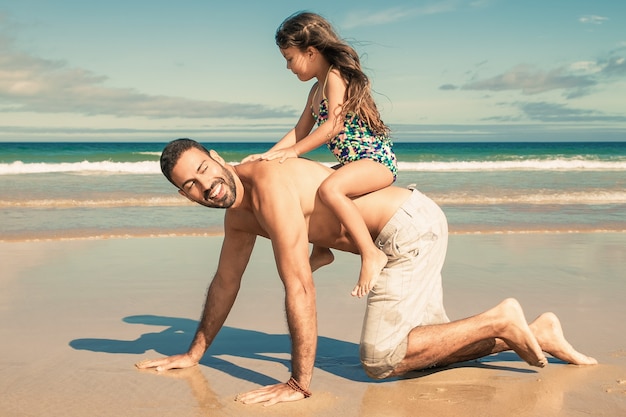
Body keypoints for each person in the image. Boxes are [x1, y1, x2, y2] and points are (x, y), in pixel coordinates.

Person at [136, 138, 597, 406]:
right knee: (428, 352)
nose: (204, 185)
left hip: (408, 230)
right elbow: (225, 283)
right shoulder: (238, 216)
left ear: (216, 157)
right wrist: (194, 353)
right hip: (397, 234)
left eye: (202, 169)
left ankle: (500, 318)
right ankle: (536, 332)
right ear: (185, 195)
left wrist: (300, 382)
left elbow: (298, 284)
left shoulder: (268, 184)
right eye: (190, 185)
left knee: (380, 361)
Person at [243, 12, 398, 298]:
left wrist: (293, 153)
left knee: (331, 188)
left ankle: (370, 253)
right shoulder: (316, 90)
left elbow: (333, 125)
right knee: (312, 193)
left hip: (376, 161)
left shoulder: (335, 78)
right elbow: (300, 130)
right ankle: (322, 251)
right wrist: (267, 156)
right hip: (352, 162)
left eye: (290, 58)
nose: (287, 67)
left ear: (311, 52)